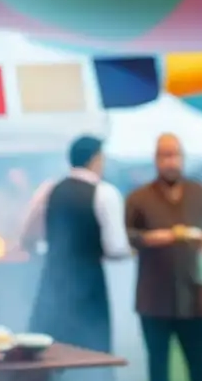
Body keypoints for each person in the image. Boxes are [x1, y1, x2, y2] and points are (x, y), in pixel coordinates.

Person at [126, 134, 202, 381]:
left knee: (200, 363)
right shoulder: (139, 198)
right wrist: (164, 236)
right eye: (164, 155)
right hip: (153, 295)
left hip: (194, 293)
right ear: (156, 160)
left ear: (183, 158)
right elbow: (128, 236)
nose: (170, 161)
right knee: (157, 366)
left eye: (174, 154)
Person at [20, 135, 130, 354]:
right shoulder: (105, 193)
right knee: (89, 351)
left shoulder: (49, 189)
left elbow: (27, 237)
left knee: (49, 348)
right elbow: (116, 248)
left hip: (53, 278)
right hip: (89, 282)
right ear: (95, 159)